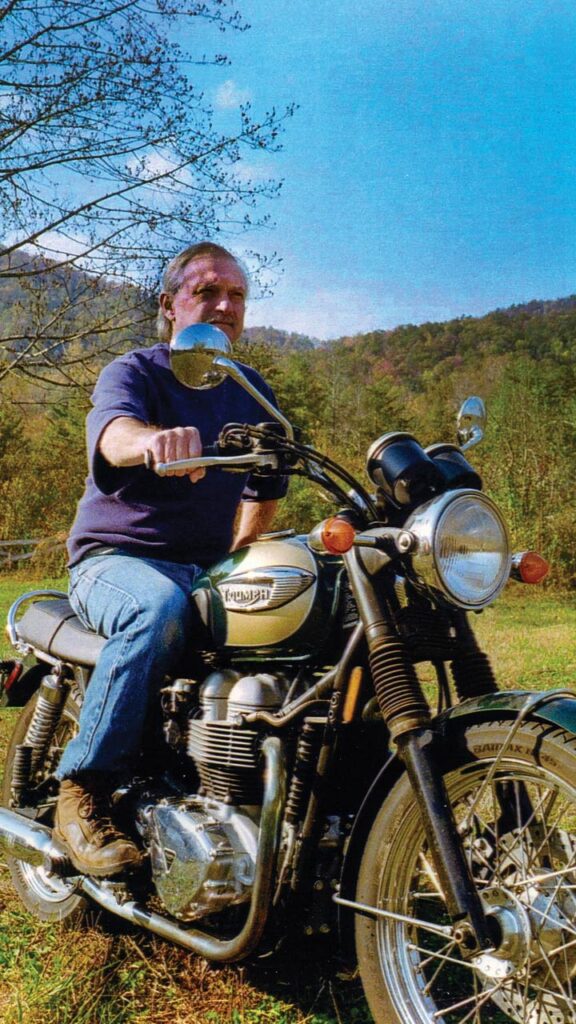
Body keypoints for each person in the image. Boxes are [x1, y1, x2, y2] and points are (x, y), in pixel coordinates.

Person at [53, 242, 287, 877]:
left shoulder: (251, 391)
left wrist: (238, 558)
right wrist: (151, 440)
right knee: (157, 609)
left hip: (203, 569)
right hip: (117, 560)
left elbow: (267, 485)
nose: (225, 305)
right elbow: (113, 432)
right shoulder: (135, 372)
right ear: (169, 305)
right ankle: (84, 791)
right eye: (208, 291)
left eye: (236, 294)